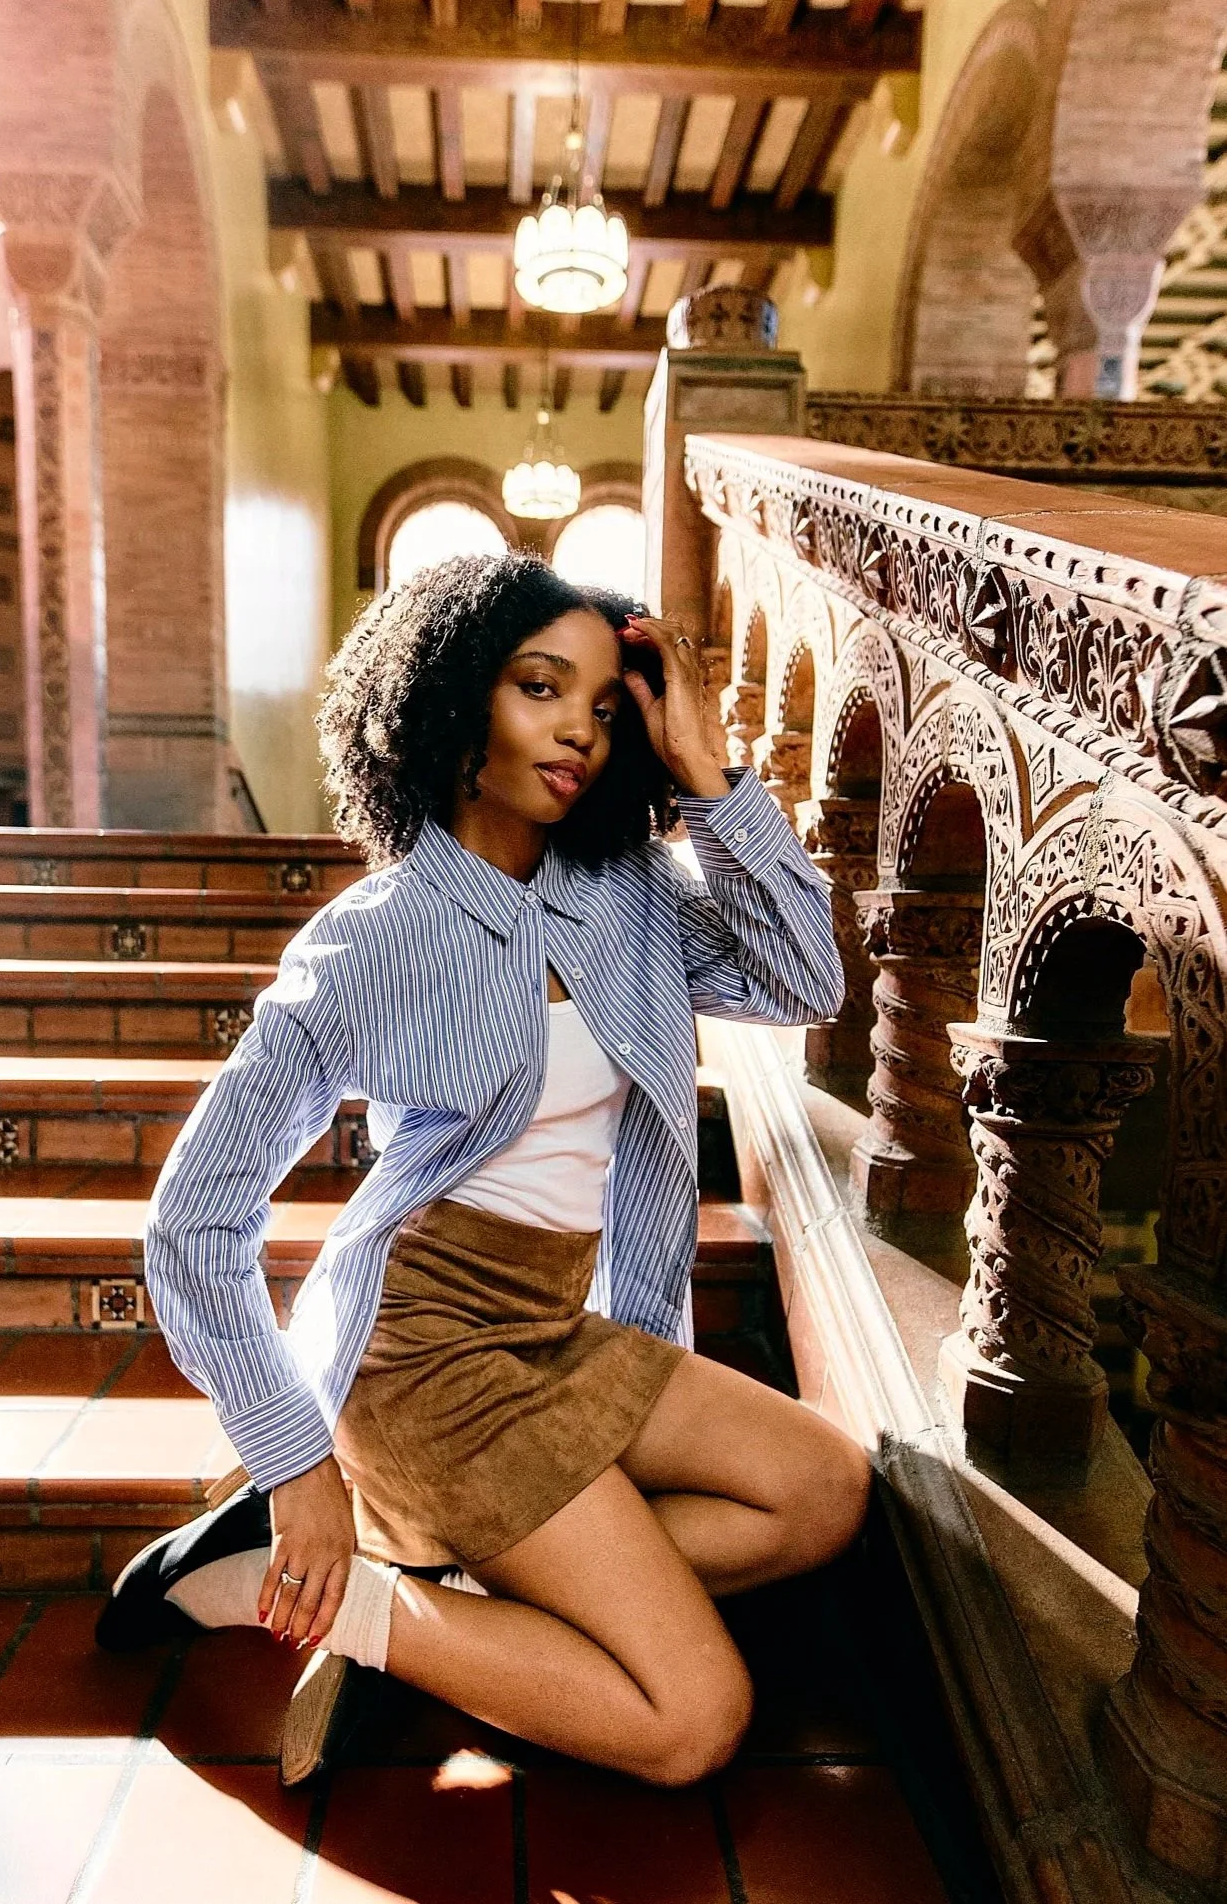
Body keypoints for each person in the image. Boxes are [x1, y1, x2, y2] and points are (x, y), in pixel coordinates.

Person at [95, 550, 871, 1788]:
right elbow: (191, 1226)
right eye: (540, 687)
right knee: (692, 1718)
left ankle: (459, 1587)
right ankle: (343, 1608)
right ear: (458, 703)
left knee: (823, 1491)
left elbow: (805, 980)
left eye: (606, 707)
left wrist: (707, 770)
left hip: (555, 1320)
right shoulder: (372, 940)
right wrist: (295, 1469)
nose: (579, 729)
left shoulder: (625, 894)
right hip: (423, 1358)